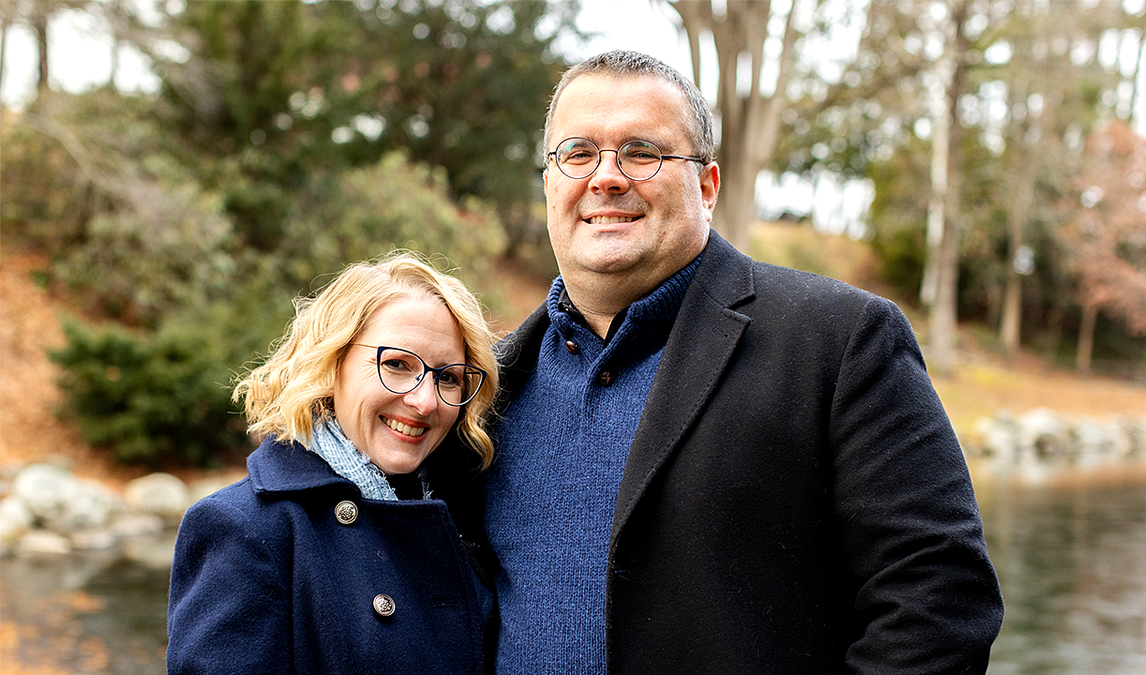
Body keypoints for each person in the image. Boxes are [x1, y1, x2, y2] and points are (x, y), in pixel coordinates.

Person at [482, 50, 1004, 674]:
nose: (606, 177)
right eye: (578, 153)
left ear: (707, 186)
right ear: (549, 182)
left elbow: (938, 600)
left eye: (642, 152)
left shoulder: (839, 344)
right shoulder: (485, 384)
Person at [167, 250, 498, 675]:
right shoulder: (246, 530)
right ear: (332, 362)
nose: (425, 401)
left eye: (448, 376)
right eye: (396, 364)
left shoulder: (463, 516)